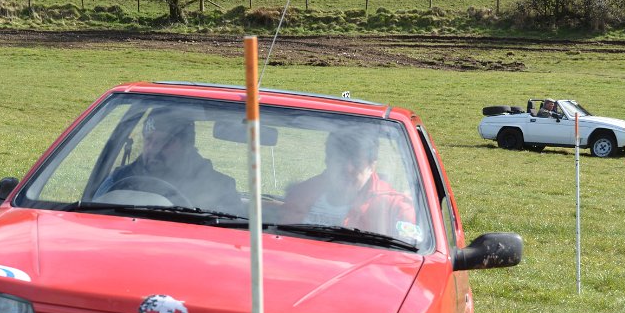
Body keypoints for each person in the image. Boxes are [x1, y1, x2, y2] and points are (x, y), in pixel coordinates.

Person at [274, 130, 418, 240]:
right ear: (327, 160)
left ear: (372, 166)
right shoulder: (300, 194)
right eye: (340, 160)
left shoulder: (396, 209)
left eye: (356, 162)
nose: (348, 169)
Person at [95, 108, 241, 213]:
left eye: (165, 142)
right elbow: (92, 212)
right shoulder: (118, 178)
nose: (153, 149)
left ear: (187, 146)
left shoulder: (219, 187)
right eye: (149, 140)